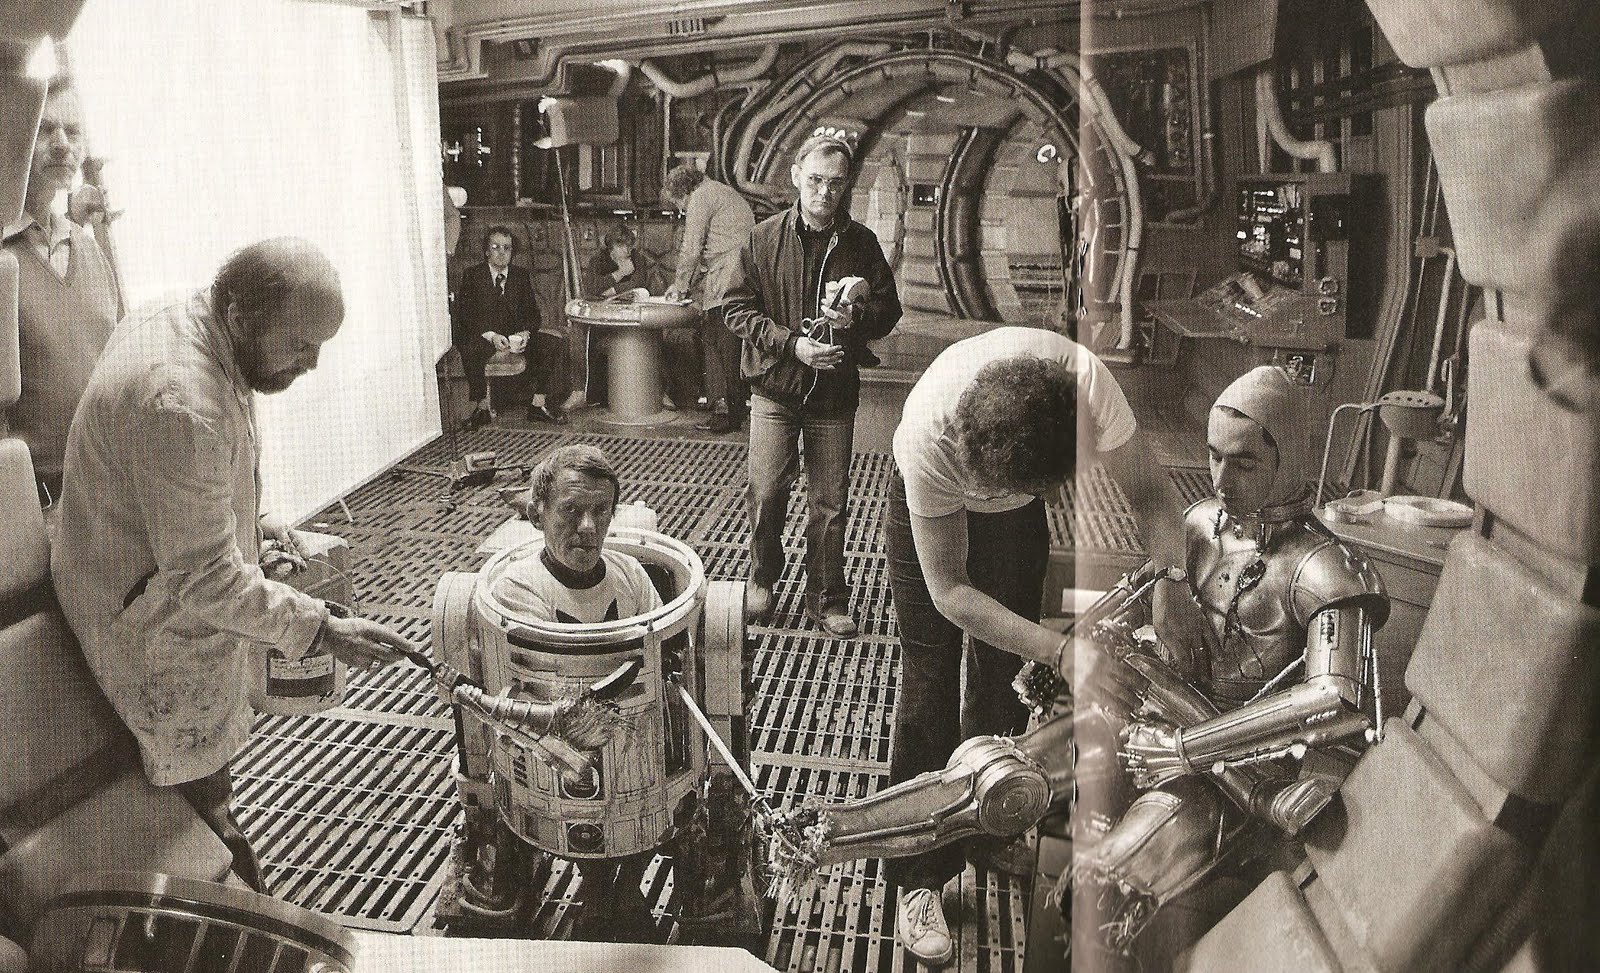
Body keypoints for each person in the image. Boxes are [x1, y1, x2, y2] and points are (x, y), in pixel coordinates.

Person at [51, 237, 418, 893]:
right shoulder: (178, 399)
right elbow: (206, 578)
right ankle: (239, 911)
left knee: (188, 794)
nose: (312, 363)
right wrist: (324, 627)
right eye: (300, 344)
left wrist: (252, 521)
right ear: (241, 315)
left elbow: (178, 483)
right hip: (144, 625)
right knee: (199, 807)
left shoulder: (187, 313)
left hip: (132, 570)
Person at [883, 325, 1212, 966]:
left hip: (1014, 508)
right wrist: (1061, 650)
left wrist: (1172, 581)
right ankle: (919, 876)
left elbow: (1150, 496)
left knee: (1003, 674)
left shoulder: (1089, 390)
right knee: (928, 680)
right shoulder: (930, 436)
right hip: (931, 511)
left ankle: (987, 827)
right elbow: (951, 592)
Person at [1075, 364, 1387, 961]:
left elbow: (1335, 701)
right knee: (1018, 779)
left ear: (1288, 461)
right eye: (1214, 456)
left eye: (1243, 463)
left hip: (1241, 773)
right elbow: (1137, 596)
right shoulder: (1199, 523)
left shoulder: (1325, 570)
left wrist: (1186, 749)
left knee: (1106, 887)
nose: (1221, 479)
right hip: (1157, 727)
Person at [723, 133, 901, 636]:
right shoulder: (763, 238)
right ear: (797, 176)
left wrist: (855, 317)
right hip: (775, 388)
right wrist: (790, 344)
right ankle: (762, 578)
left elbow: (889, 311)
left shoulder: (861, 243)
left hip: (833, 394)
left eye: (836, 184)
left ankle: (827, 598)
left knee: (829, 503)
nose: (825, 192)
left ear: (846, 186)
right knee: (766, 492)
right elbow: (735, 308)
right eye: (817, 180)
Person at [488, 444, 665, 941]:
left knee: (655, 795)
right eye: (570, 510)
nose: (588, 527)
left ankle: (620, 888)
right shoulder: (520, 589)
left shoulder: (630, 576)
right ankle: (601, 887)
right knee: (585, 801)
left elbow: (658, 651)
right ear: (537, 514)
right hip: (555, 742)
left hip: (634, 738)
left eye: (601, 511)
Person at [1, 75, 120, 508]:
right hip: (38, 505)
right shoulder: (3, 259)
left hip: (112, 490)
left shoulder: (87, 248)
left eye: (72, 131)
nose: (62, 144)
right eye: (44, 129)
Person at [663, 164, 757, 434]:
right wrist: (689, 285)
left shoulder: (700, 197)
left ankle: (726, 413)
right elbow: (710, 252)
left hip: (728, 278)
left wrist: (680, 286)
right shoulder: (720, 192)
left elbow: (691, 249)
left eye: (678, 204)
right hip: (742, 274)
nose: (681, 210)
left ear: (683, 193)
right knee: (731, 345)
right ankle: (736, 407)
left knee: (719, 344)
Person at [452, 225, 568, 427]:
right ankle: (482, 407)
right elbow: (466, 315)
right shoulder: (473, 275)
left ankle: (537, 405)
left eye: (507, 248)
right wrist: (491, 336)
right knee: (468, 346)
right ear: (486, 251)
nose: (501, 252)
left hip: (514, 337)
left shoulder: (520, 275)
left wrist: (525, 333)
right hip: (485, 336)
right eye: (496, 247)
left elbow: (532, 314)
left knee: (553, 343)